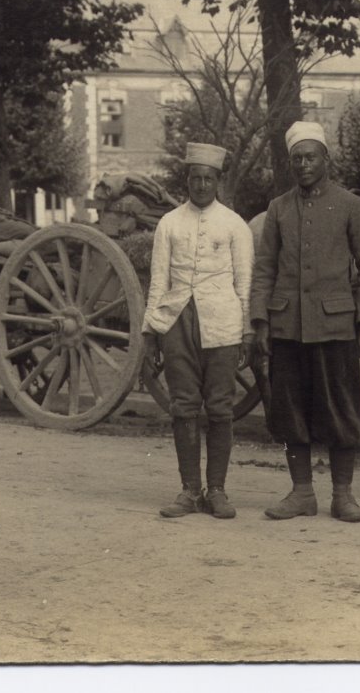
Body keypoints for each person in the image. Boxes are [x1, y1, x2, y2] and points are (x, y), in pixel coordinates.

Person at [250, 121, 360, 522]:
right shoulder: (278, 208)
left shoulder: (352, 206)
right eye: (297, 159)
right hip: (288, 326)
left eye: (310, 157)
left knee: (342, 410)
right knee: (290, 412)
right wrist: (261, 321)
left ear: (326, 159)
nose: (304, 165)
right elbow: (265, 268)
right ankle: (302, 493)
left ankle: (343, 495)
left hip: (336, 328)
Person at [142, 143, 255, 519]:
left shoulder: (235, 225)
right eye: (196, 178)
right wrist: (151, 330)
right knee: (184, 406)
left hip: (223, 324)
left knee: (220, 408)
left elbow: (245, 283)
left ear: (217, 181)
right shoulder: (169, 223)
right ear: (187, 180)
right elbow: (158, 281)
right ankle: (190, 490)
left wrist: (246, 331)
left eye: (208, 179)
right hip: (177, 322)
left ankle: (217, 490)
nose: (202, 185)